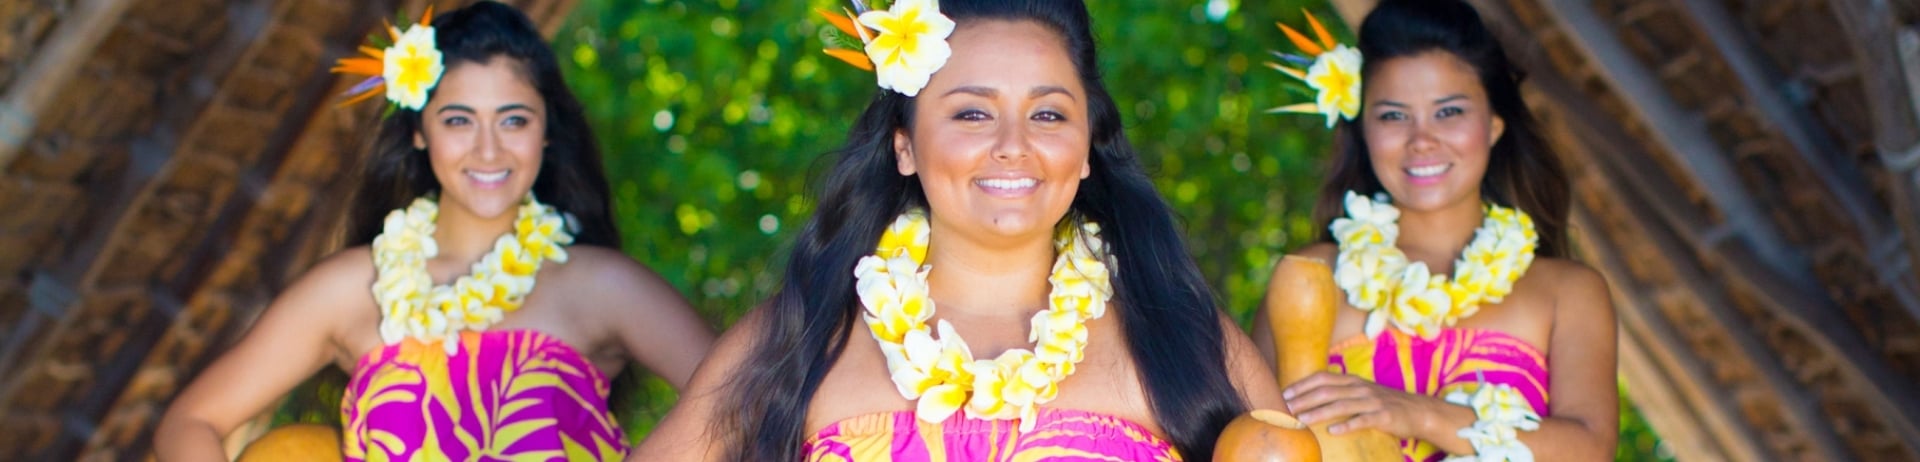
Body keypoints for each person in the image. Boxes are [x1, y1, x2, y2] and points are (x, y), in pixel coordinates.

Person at [630, 0, 1283, 460]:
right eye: (972, 113)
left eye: (1049, 115)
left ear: (1086, 148)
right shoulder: (802, 336)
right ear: (905, 146)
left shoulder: (1181, 340)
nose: (1012, 146)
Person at [153, 3, 714, 460]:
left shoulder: (605, 288)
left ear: (546, 132)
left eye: (514, 119)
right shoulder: (351, 289)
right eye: (458, 120)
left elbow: (756, 405)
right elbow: (191, 420)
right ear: (420, 133)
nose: (488, 148)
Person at [1252, 0, 1619, 460]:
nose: (1422, 139)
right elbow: (1256, 439)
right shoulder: (1312, 277)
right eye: (1393, 115)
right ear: (1363, 130)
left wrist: (1419, 414)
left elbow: (1591, 449)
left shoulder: (1568, 291)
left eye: (1448, 112)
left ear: (1494, 125)